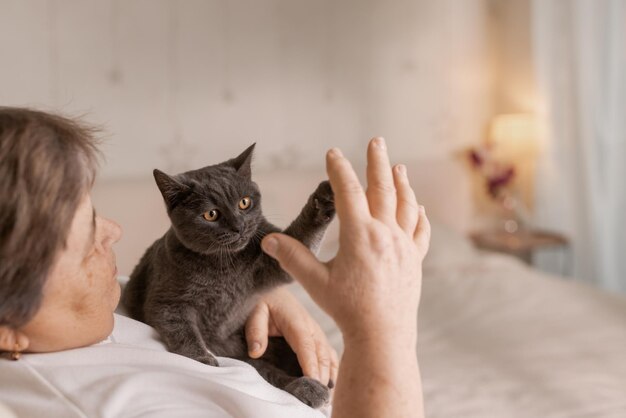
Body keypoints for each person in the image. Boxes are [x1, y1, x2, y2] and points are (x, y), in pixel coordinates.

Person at [0, 107, 429, 418]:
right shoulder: (115, 405)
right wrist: (381, 329)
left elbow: (149, 288)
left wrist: (264, 293)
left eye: (96, 211)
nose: (113, 231)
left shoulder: (73, 319)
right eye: (87, 236)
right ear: (8, 327)